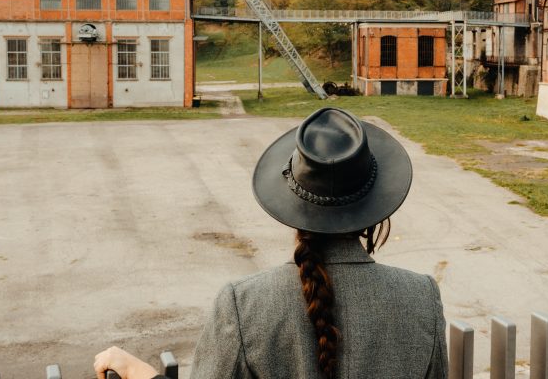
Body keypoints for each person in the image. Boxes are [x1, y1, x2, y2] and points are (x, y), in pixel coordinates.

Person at [95, 107, 448, 379]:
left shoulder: (242, 304)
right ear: (375, 207)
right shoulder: (421, 297)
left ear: (292, 200)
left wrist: (134, 370)